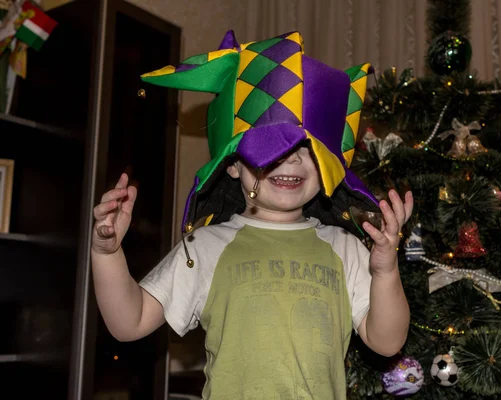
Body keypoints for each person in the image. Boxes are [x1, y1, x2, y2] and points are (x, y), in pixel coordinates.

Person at [91, 30, 412, 399]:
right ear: (232, 164)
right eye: (271, 146)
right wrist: (108, 253)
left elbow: (387, 343)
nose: (291, 159)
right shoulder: (205, 246)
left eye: (306, 149)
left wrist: (386, 270)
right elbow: (127, 323)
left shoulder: (344, 247)